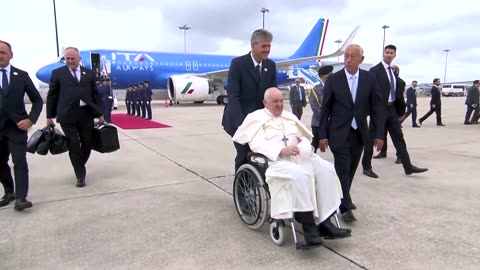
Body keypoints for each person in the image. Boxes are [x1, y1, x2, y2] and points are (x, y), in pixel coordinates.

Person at [233, 87, 351, 245]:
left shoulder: (289, 117)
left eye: (281, 101)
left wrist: (304, 146)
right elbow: (256, 144)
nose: (279, 104)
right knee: (299, 174)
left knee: (326, 169)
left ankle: (325, 221)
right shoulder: (256, 118)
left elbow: (304, 137)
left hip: (300, 156)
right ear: (265, 102)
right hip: (276, 161)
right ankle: (308, 225)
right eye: (275, 101)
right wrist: (282, 150)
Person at [318, 44, 385, 222]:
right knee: (342, 167)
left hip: (359, 133)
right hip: (338, 133)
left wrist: (379, 135)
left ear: (361, 59)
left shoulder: (369, 79)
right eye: (346, 56)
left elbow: (377, 108)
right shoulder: (334, 80)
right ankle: (345, 206)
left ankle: (343, 196)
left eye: (352, 56)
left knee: (351, 168)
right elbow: (325, 110)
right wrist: (322, 135)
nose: (348, 60)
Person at [362, 46, 428, 179]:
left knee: (399, 138)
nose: (389, 55)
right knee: (370, 139)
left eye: (391, 53)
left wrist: (400, 110)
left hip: (391, 109)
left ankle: (408, 167)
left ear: (395, 55)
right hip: (379, 110)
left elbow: (397, 91)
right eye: (387, 52)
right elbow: (368, 91)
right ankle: (367, 167)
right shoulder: (375, 71)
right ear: (383, 54)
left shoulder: (392, 71)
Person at [46, 47, 104, 188]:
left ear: (79, 59)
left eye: (73, 58)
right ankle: (80, 174)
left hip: (86, 114)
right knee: (73, 144)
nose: (70, 61)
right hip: (67, 115)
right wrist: (49, 116)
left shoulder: (89, 74)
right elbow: (52, 96)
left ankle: (79, 163)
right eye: (67, 58)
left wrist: (100, 113)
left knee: (87, 143)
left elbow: (95, 95)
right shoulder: (58, 73)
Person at [221, 28, 277, 172]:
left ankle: (256, 183)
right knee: (244, 154)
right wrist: (243, 125)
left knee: (261, 155)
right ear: (253, 46)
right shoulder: (238, 64)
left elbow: (272, 95)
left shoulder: (270, 66)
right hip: (238, 120)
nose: (267, 50)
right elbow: (233, 97)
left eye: (269, 46)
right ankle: (241, 191)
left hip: (260, 121)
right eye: (264, 46)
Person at [0, 40, 43, 210]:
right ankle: (9, 191)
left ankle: (21, 198)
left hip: (17, 127)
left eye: (3, 52)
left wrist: (31, 119)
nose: (0, 56)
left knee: (19, 160)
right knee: (0, 162)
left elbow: (37, 100)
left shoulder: (22, 75)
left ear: (11, 55)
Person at [309, 65, 333, 153]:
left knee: (336, 145)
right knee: (315, 145)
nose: (331, 76)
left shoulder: (334, 88)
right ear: (322, 76)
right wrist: (326, 117)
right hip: (318, 123)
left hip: (332, 123)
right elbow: (314, 107)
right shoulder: (315, 90)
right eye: (329, 75)